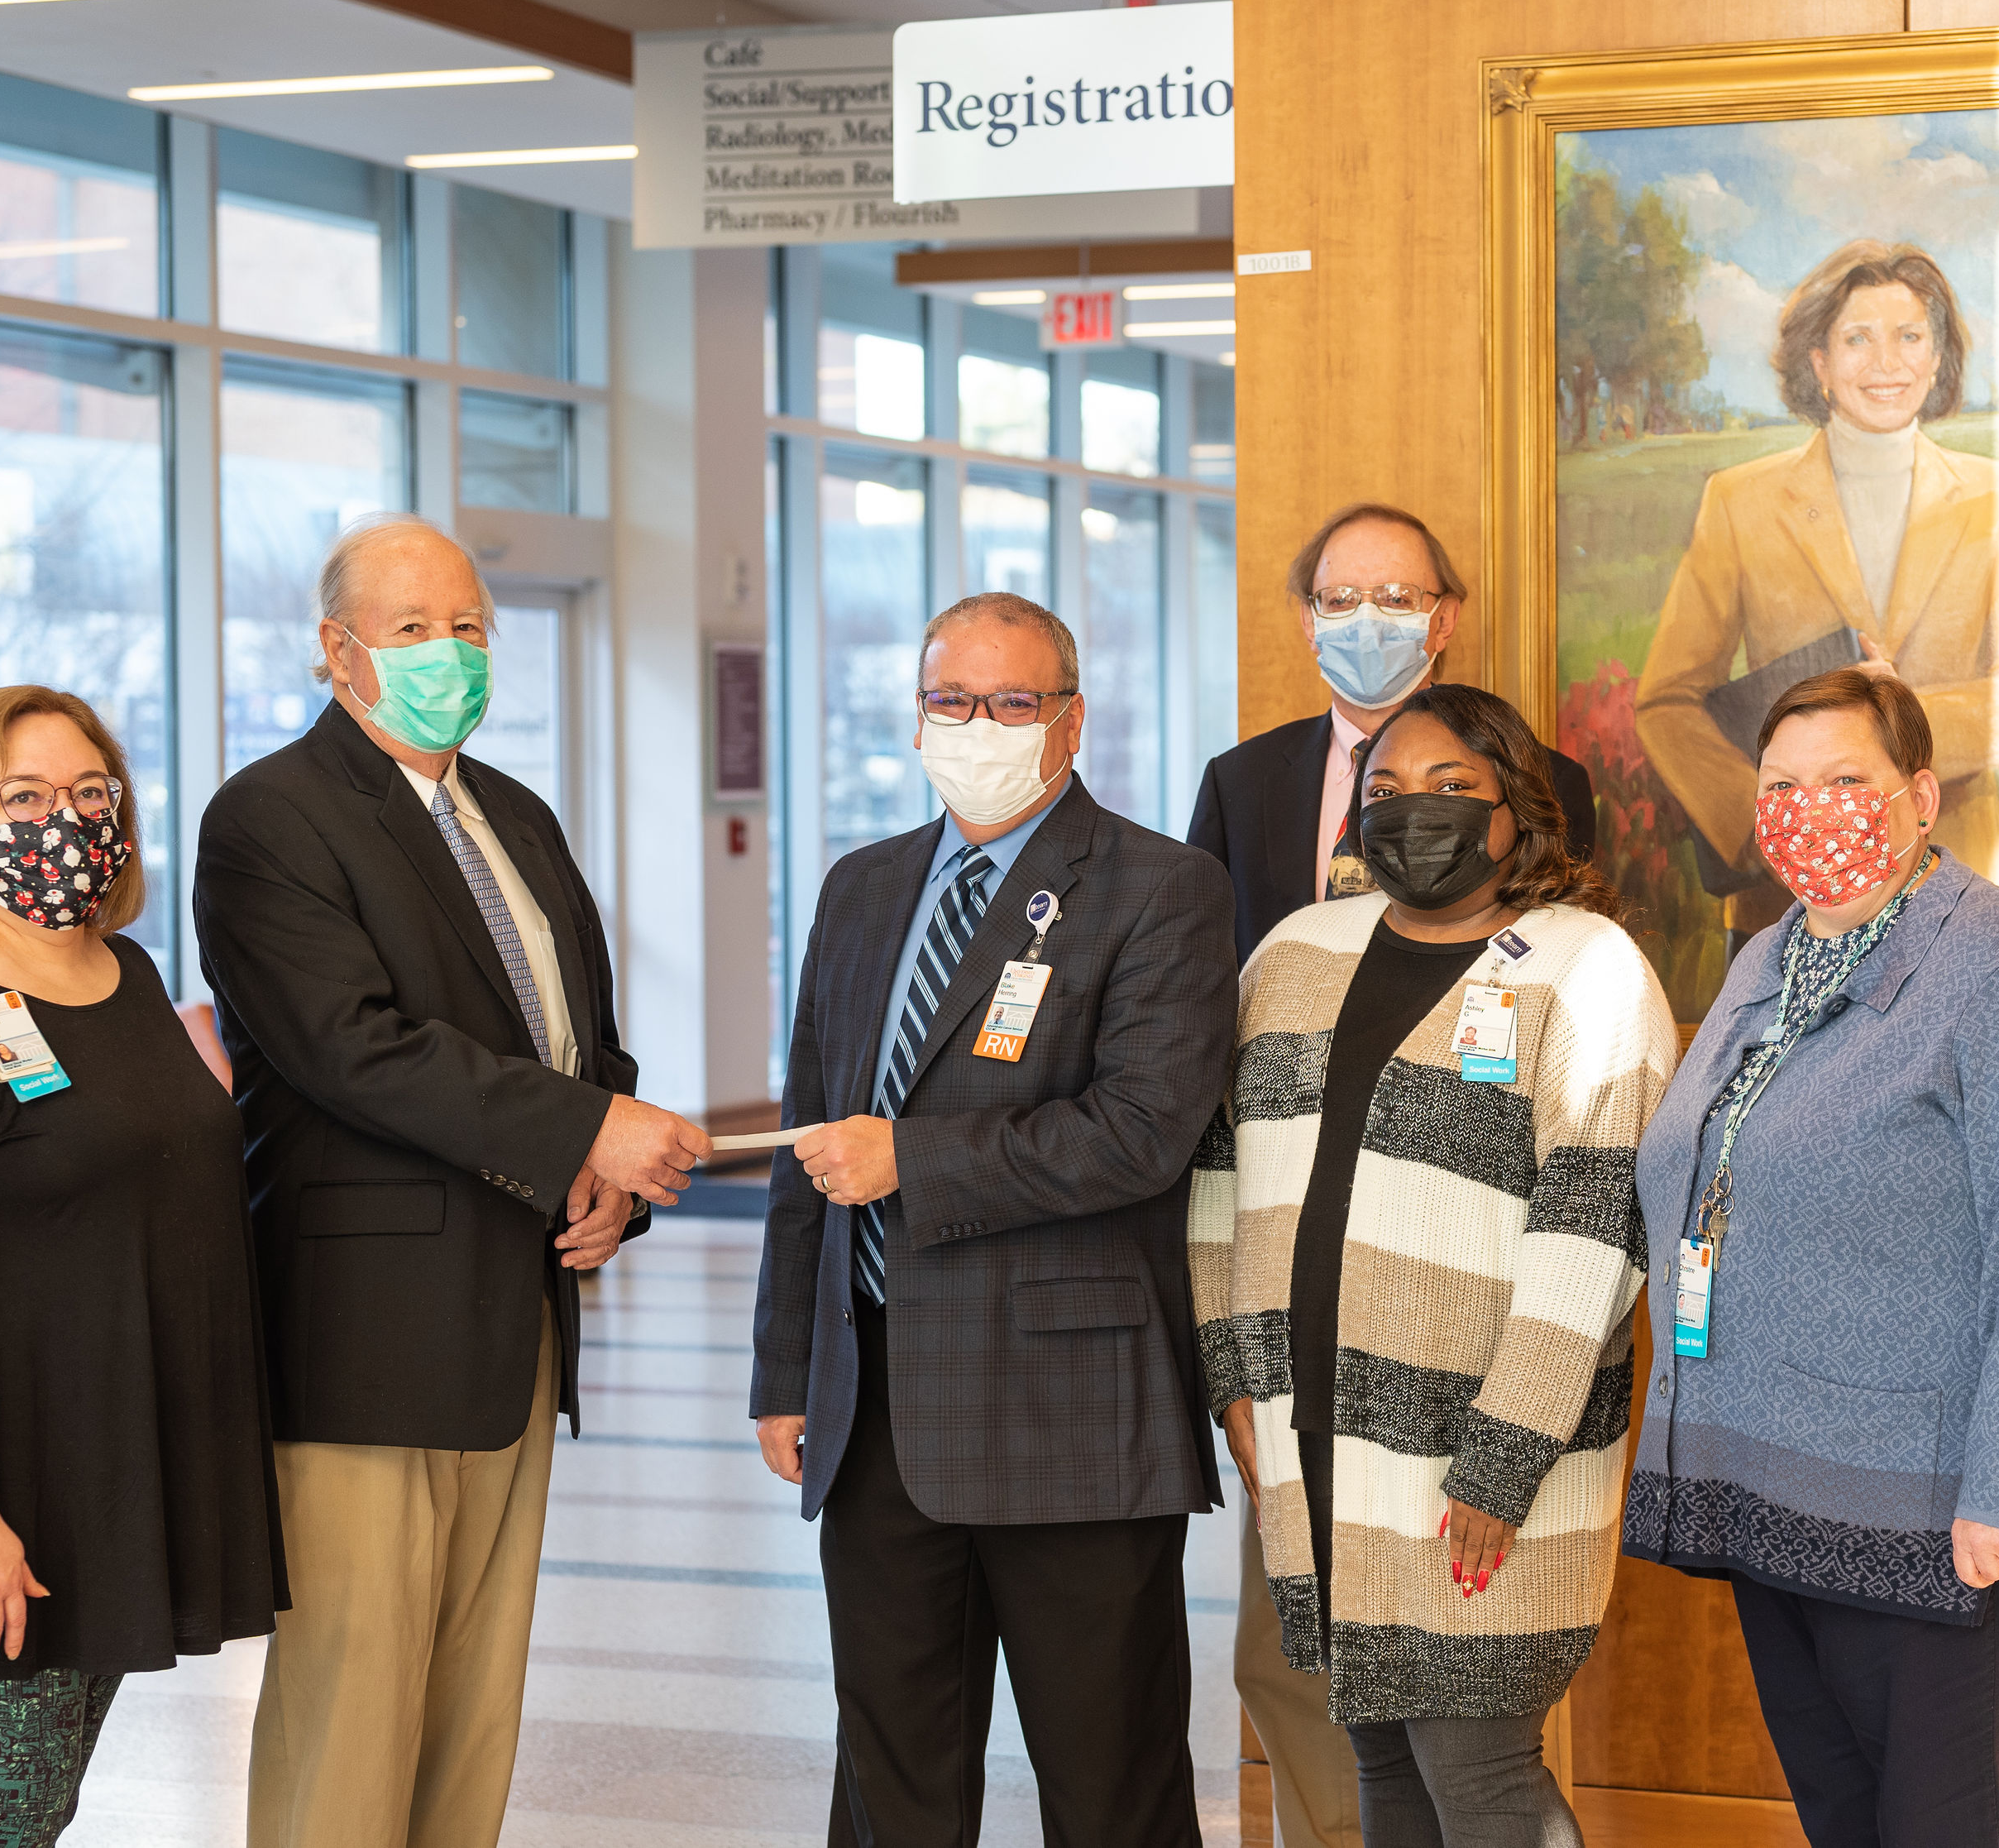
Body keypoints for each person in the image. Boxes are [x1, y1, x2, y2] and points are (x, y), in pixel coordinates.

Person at [195, 514, 707, 1848]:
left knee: (472, 1718)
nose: (448, 654)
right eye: (413, 628)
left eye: (470, 627)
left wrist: (612, 1183)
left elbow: (583, 1040)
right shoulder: (270, 819)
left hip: (518, 1322)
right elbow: (355, 1049)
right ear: (337, 649)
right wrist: (585, 1125)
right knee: (349, 1720)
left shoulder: (518, 818)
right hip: (367, 1338)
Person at [753, 591, 1235, 1846]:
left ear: (1070, 724)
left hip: (1067, 1407)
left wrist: (913, 1159)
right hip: (874, 1408)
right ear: (918, 717)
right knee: (889, 1776)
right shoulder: (862, 890)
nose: (979, 725)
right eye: (951, 701)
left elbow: (1142, 1130)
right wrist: (782, 1372)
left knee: (1109, 1776)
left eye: (1013, 702)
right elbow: (813, 1141)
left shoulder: (1162, 888)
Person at [1624, 668, 1999, 1847]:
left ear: (1919, 794)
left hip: (1928, 1502)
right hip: (1768, 1484)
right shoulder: (1767, 958)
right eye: (1782, 787)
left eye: (1847, 781)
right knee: (1844, 1819)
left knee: (1945, 1827)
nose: (1812, 811)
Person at [1192, 685, 1674, 1848]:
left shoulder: (1586, 971)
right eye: (1388, 791)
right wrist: (1233, 1376)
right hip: (1317, 1442)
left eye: (1455, 789)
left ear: (1518, 809)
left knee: (1482, 1772)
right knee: (1385, 1762)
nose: (1417, 813)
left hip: (1479, 1465)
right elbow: (1219, 1178)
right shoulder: (1296, 953)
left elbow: (1597, 1230)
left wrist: (1501, 1462)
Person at [0, 686, 285, 1846]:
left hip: (117, 1471)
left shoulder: (124, 981)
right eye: (21, 797)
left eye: (88, 793)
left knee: (40, 1808)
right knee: (3, 1816)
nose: (63, 821)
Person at [1636, 240, 1999, 945]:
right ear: (1821, 363)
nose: (1887, 363)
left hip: (1961, 890)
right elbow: (1668, 702)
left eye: (1909, 337)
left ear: (1936, 359)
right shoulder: (1739, 501)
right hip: (1787, 911)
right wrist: (1766, 834)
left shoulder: (1996, 495)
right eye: (1858, 339)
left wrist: (1889, 717)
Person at [1189, 502, 1597, 965]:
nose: (1367, 621)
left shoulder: (1548, 779)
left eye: (1397, 598)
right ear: (1310, 621)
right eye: (1340, 600)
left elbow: (1563, 953)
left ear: (1443, 621)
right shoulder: (1238, 781)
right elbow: (1198, 959)